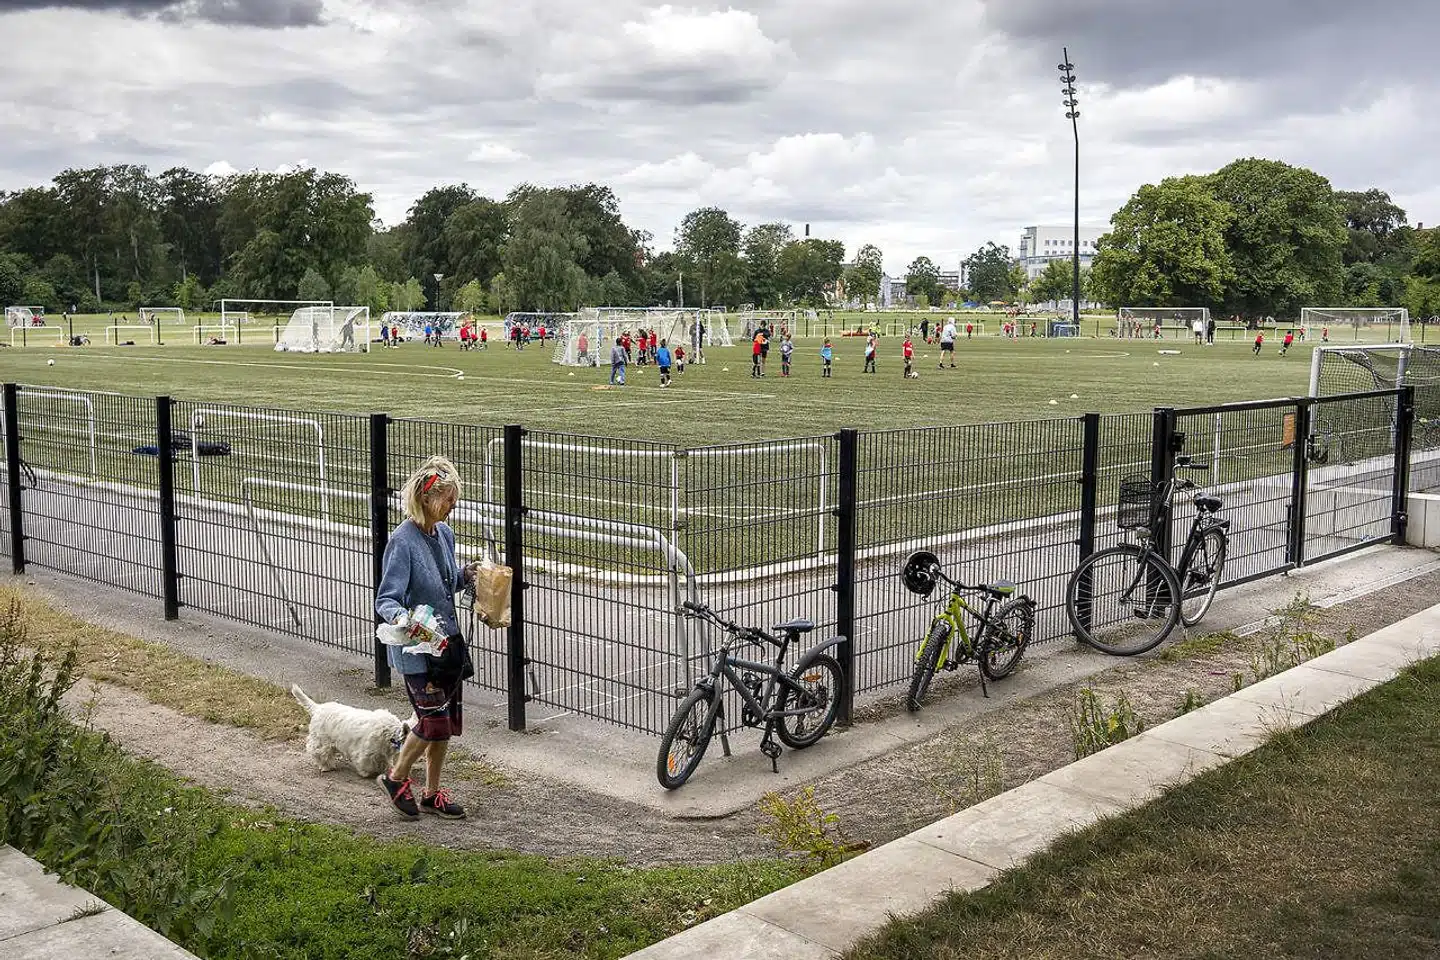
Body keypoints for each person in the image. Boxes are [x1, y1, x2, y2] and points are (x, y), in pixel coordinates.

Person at [375, 456, 478, 821]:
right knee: (432, 721)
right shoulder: (402, 542)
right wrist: (404, 618)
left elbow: (447, 582)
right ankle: (397, 777)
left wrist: (469, 574)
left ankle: (431, 793)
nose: (453, 506)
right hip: (417, 651)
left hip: (445, 646)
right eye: (448, 499)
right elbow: (386, 599)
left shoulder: (444, 534)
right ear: (426, 496)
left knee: (444, 724)